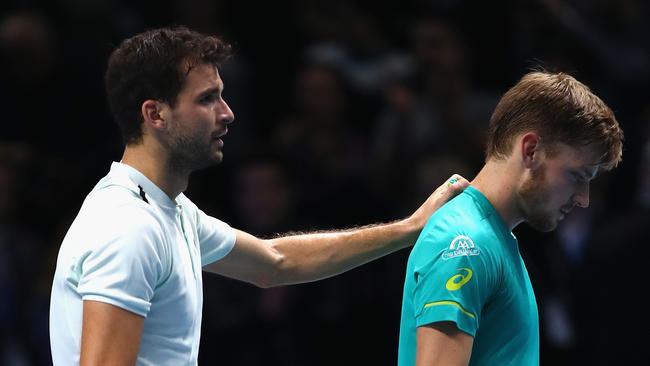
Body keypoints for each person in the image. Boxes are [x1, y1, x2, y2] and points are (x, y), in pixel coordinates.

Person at [48, 26, 469, 365]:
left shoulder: (170, 211)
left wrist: (410, 228)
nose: (228, 112)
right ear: (154, 113)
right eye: (207, 99)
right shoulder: (129, 227)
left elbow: (275, 262)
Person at [397, 71, 623, 365]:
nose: (583, 198)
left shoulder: (493, 239)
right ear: (531, 150)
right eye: (576, 176)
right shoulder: (465, 242)